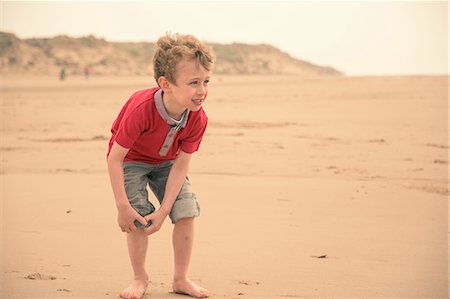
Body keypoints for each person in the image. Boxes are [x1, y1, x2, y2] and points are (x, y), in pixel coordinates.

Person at [107, 33, 214, 299]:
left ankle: (181, 279)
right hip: (132, 160)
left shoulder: (197, 118)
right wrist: (122, 206)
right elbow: (114, 159)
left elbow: (181, 164)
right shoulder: (142, 109)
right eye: (193, 83)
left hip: (167, 163)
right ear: (165, 84)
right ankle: (139, 278)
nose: (202, 91)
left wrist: (166, 208)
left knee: (186, 209)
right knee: (137, 215)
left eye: (206, 81)